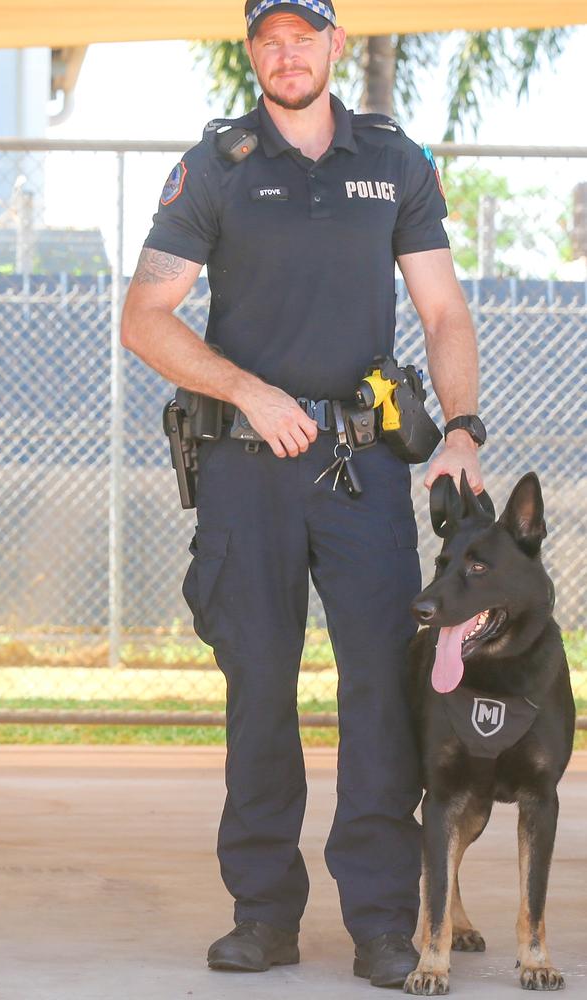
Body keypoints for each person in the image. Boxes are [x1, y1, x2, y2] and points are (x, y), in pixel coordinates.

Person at [121, 0, 485, 988]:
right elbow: (145, 318)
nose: (286, 53)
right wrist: (244, 387)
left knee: (377, 689)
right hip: (248, 467)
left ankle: (377, 923)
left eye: (303, 35)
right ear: (253, 52)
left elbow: (442, 306)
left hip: (364, 469)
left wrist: (459, 427)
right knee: (260, 693)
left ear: (332, 44)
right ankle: (263, 915)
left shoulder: (392, 161)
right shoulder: (220, 166)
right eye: (267, 39)